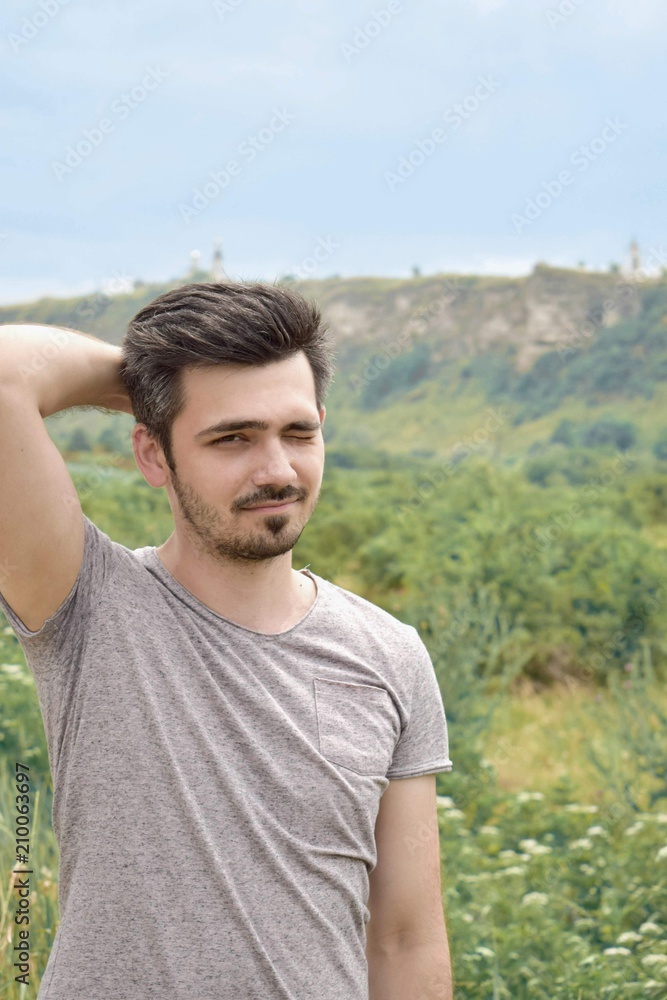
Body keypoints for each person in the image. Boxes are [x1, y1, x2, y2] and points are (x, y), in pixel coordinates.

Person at [0, 280, 454, 999]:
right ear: (152, 456)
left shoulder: (388, 655)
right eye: (231, 437)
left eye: (298, 433)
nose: (277, 470)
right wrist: (148, 386)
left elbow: (405, 940)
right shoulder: (86, 603)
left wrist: (196, 408)